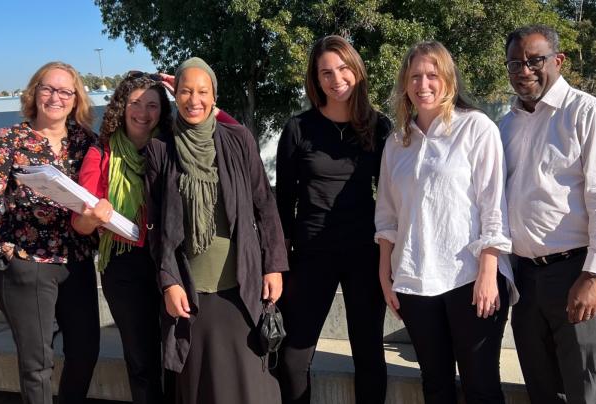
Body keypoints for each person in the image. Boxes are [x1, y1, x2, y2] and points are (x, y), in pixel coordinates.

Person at [375, 41, 517, 404]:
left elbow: (493, 207)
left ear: (448, 80)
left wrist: (489, 272)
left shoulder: (476, 128)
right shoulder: (396, 143)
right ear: (405, 84)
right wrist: (384, 274)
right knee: (435, 385)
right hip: (414, 281)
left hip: (469, 278)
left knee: (481, 385)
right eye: (415, 77)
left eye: (432, 75)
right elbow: (388, 214)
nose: (424, 84)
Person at [499, 25, 596, 404]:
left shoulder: (590, 116)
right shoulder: (507, 126)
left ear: (558, 60)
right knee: (543, 390)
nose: (524, 70)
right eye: (514, 63)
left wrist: (593, 276)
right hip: (527, 278)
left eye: (534, 60)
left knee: (589, 391)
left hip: (579, 270)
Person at [145, 57, 288, 404]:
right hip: (192, 291)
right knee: (200, 384)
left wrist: (274, 266)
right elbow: (156, 224)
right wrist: (169, 281)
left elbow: (264, 204)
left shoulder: (237, 140)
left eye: (202, 91)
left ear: (213, 96)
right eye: (185, 91)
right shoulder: (160, 148)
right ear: (174, 95)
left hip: (242, 285)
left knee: (250, 384)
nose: (194, 100)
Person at [275, 35, 391, 404]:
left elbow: (392, 196)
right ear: (316, 79)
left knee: (369, 354)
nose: (335, 78)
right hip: (312, 253)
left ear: (356, 70)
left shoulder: (379, 127)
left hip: (364, 253)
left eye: (343, 68)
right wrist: (279, 260)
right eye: (326, 72)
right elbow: (283, 200)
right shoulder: (298, 128)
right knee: (294, 356)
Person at [0, 61, 100, 404]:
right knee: (37, 365)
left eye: (65, 91)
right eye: (48, 88)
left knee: (86, 351)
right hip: (28, 262)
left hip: (76, 261)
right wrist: (7, 244)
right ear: (35, 92)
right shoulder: (9, 139)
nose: (55, 97)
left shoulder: (87, 142)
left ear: (76, 99)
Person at [72, 72, 173, 403]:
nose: (143, 112)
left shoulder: (173, 148)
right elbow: (80, 224)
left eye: (152, 105)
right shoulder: (101, 153)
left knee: (177, 355)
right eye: (135, 103)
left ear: (163, 110)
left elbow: (230, 134)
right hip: (124, 266)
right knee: (141, 359)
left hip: (172, 261)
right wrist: (91, 217)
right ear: (121, 106)